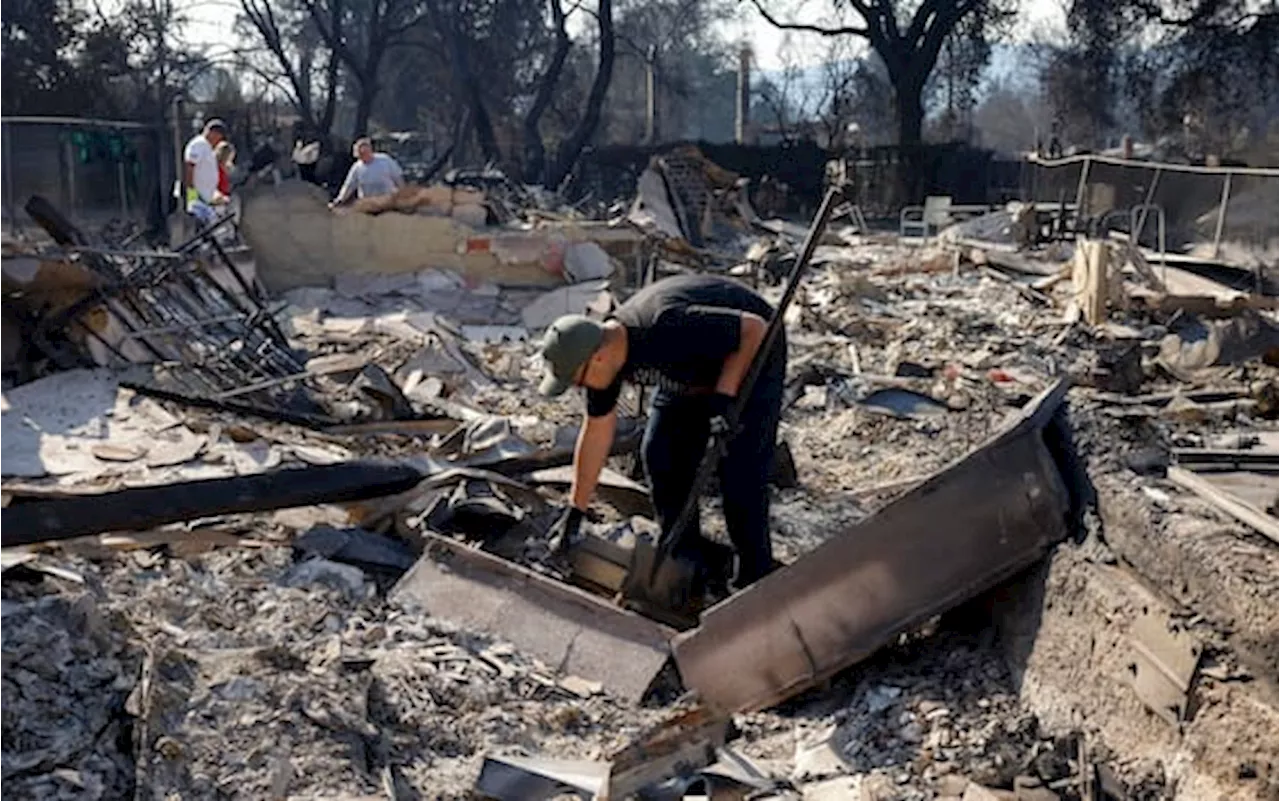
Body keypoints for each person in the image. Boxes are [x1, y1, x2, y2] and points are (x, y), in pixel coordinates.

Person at [537, 274, 787, 593]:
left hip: (753, 351)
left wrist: (724, 402)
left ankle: (754, 583)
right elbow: (596, 432)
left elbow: (753, 330)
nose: (579, 389)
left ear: (596, 358)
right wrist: (576, 510)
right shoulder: (602, 363)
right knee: (661, 454)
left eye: (577, 382)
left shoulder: (663, 327)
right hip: (692, 371)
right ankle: (685, 566)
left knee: (739, 474)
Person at [328, 137, 405, 209]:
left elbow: (398, 178)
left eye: (365, 152)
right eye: (360, 154)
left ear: (370, 150)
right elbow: (349, 185)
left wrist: (403, 195)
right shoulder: (357, 167)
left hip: (387, 202)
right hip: (368, 204)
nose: (363, 155)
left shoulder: (385, 160)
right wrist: (339, 200)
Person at [183, 119, 227, 224]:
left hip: (207, 198)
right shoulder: (199, 144)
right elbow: (189, 167)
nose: (218, 142)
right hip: (199, 199)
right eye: (218, 138)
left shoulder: (207, 146)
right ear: (212, 133)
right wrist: (192, 195)